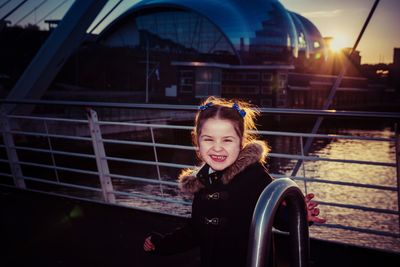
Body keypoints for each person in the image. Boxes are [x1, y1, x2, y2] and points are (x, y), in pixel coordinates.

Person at [143, 96, 326, 267]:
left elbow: (278, 217)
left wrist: (300, 214)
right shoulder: (203, 181)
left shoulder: (254, 176)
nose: (217, 148)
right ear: (197, 142)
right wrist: (162, 245)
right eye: (208, 139)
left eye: (227, 140)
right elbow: (197, 230)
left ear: (241, 143)